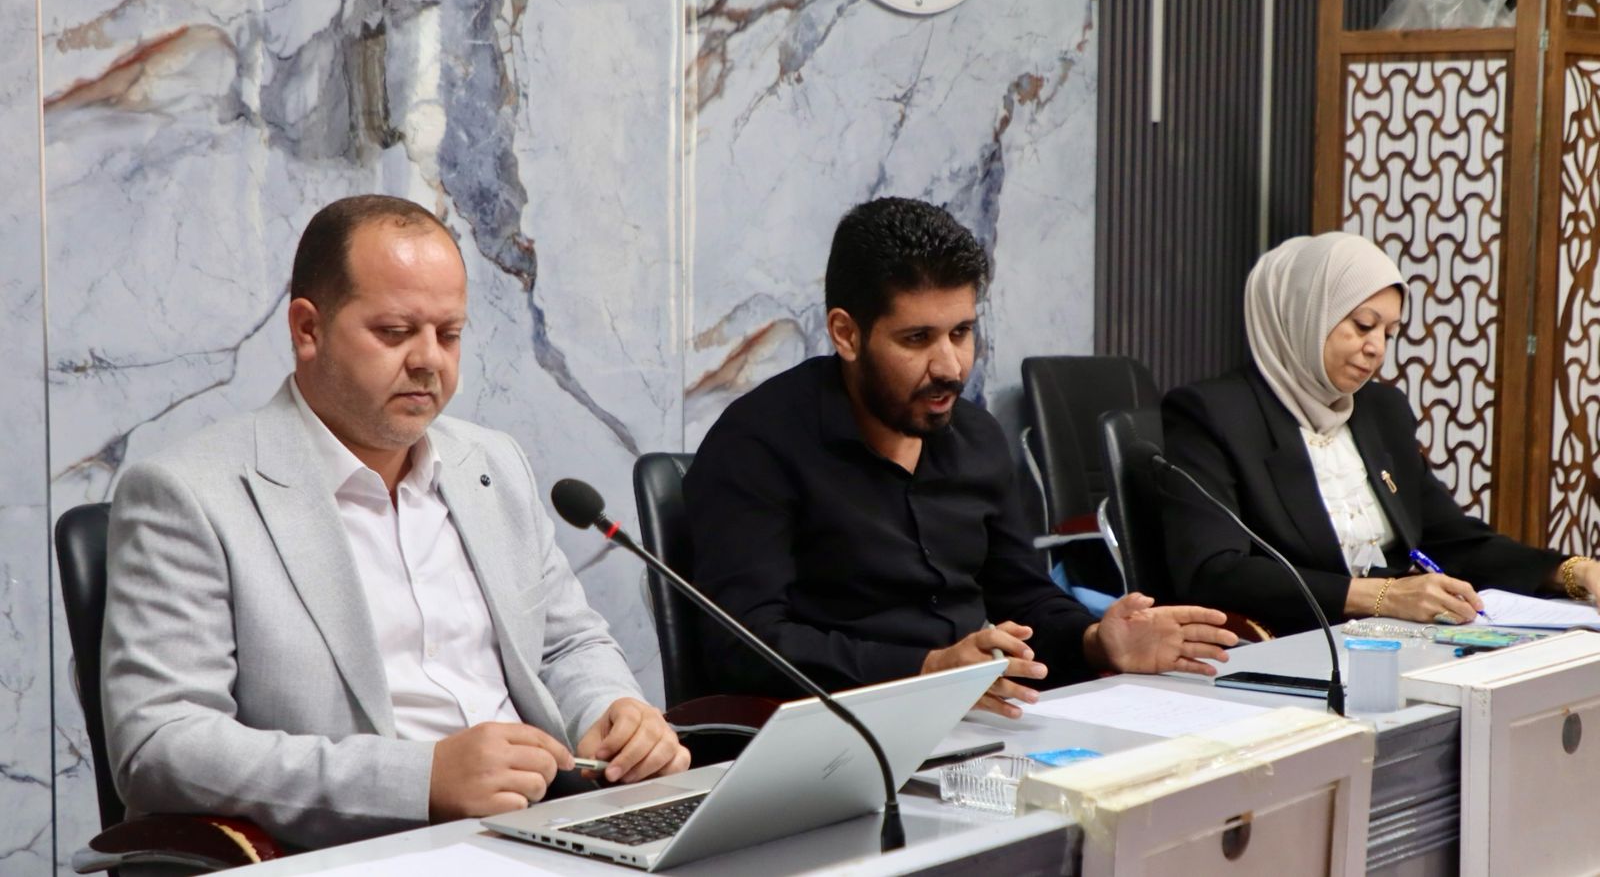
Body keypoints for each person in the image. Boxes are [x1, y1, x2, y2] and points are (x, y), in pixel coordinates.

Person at [101, 195, 688, 850]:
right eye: (395, 332)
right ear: (307, 329)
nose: (429, 360)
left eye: (449, 334)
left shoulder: (491, 463)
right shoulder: (190, 494)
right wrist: (420, 779)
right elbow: (162, 744)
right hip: (363, 849)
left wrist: (613, 711)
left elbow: (566, 645)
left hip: (548, 827)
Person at [683, 197, 1236, 718]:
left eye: (962, 332)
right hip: (836, 738)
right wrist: (926, 671)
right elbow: (744, 645)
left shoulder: (976, 437)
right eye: (917, 338)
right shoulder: (757, 445)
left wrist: (1095, 641)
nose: (950, 366)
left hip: (977, 725)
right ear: (846, 334)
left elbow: (1023, 598)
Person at [1161, 232, 1600, 636]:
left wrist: (1571, 572)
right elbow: (1216, 571)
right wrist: (1382, 597)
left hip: (1398, 639)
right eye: (1362, 325)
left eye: (1389, 333)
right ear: (1306, 312)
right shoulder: (1213, 414)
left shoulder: (1380, 410)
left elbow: (1453, 540)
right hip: (1295, 643)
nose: (1376, 349)